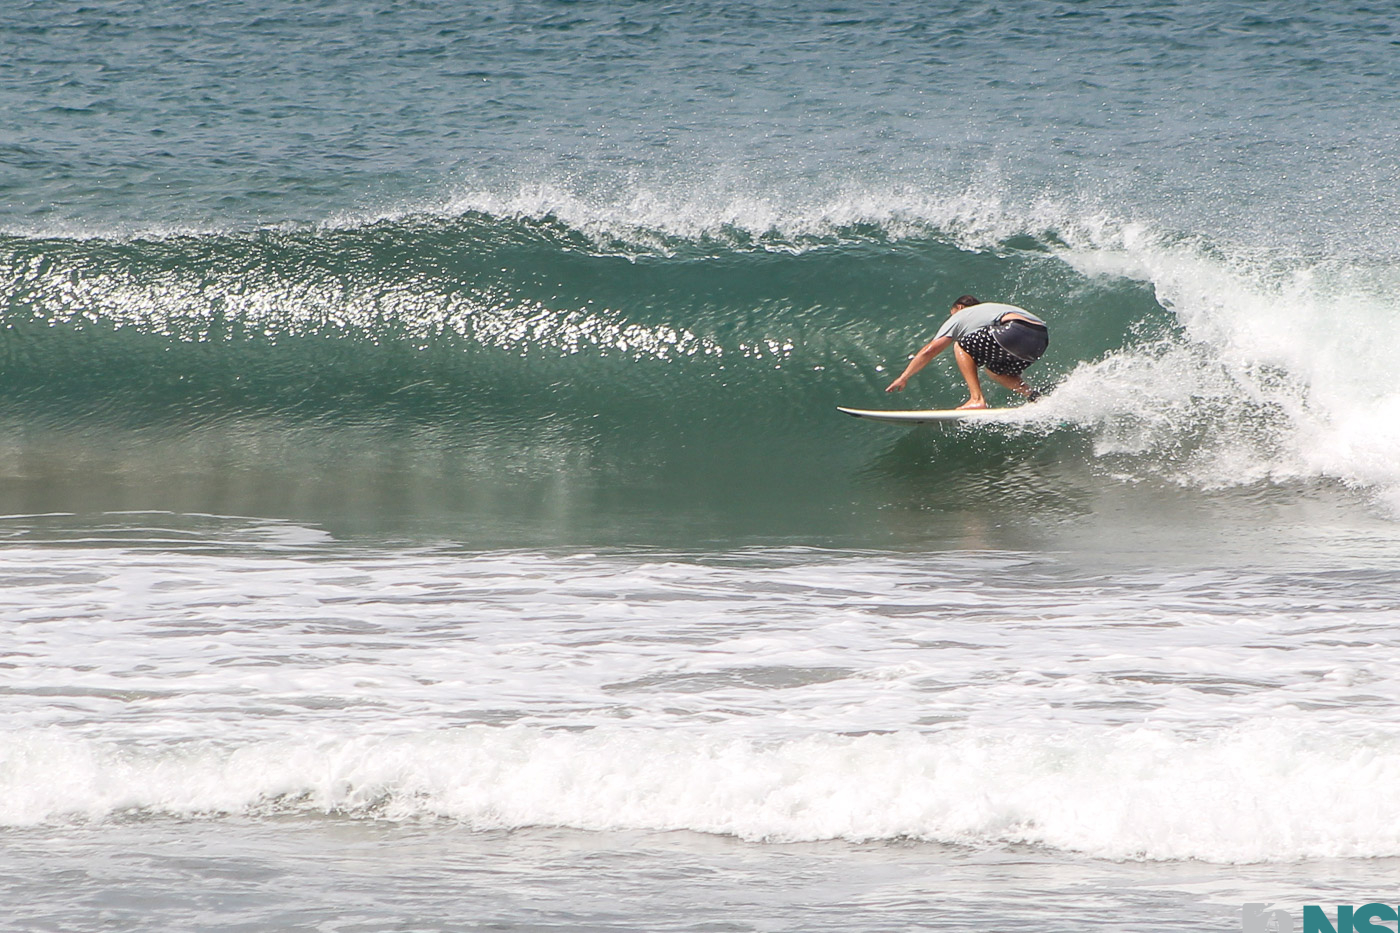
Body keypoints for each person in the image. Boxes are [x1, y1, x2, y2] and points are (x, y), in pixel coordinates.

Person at [884, 295, 1048, 409]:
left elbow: (930, 350)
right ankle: (1034, 396)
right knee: (995, 371)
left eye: (952, 313)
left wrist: (904, 377)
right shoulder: (990, 309)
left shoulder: (962, 314)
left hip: (1014, 329)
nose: (952, 317)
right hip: (1040, 338)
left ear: (959, 308)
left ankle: (976, 399)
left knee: (961, 345)